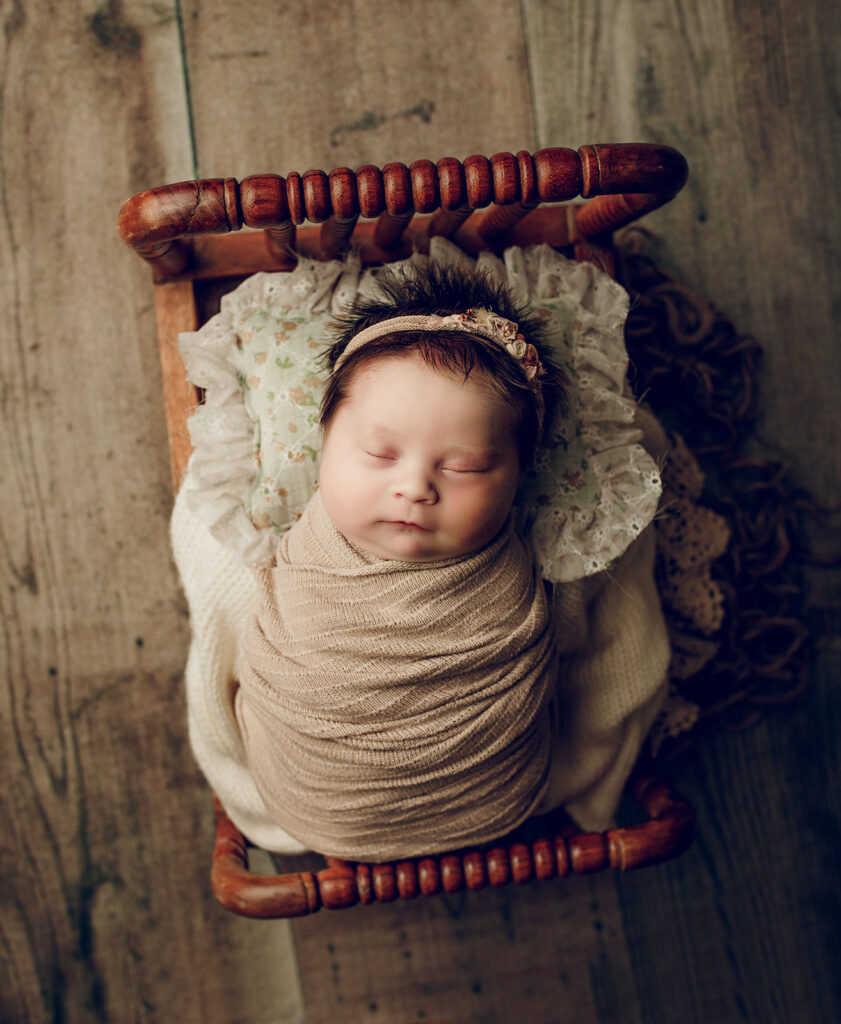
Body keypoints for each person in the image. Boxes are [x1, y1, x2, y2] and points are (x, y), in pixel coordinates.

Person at [171, 239, 671, 861]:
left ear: (519, 476)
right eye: (379, 454)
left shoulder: (546, 569)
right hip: (307, 797)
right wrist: (232, 770)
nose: (414, 487)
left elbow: (617, 662)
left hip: (494, 798)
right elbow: (213, 653)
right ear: (323, 442)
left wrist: (596, 766)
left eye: (464, 467)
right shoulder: (260, 547)